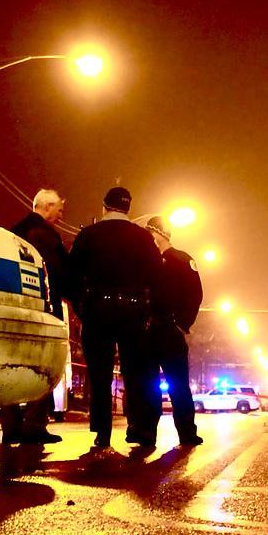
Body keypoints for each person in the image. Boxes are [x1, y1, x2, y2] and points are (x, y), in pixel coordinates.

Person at [70, 186, 162, 449]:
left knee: (99, 374)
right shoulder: (143, 238)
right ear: (128, 208)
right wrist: (146, 308)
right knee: (136, 372)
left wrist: (82, 307)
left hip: (98, 309)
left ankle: (103, 432)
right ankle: (138, 429)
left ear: (104, 206)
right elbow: (157, 276)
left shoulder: (89, 235)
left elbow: (72, 273)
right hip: (132, 311)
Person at [4, 189, 72, 445]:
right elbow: (59, 274)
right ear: (46, 206)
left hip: (16, 307)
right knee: (43, 363)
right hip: (43, 308)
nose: (61, 215)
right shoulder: (45, 236)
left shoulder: (12, 234)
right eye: (59, 210)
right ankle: (34, 424)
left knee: (13, 363)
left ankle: (10, 426)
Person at [141, 214, 204, 447]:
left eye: (150, 234)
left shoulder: (181, 260)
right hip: (147, 330)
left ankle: (187, 433)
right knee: (147, 385)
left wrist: (182, 324)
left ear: (159, 235)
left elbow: (195, 295)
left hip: (170, 329)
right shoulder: (145, 261)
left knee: (178, 385)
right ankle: (146, 434)